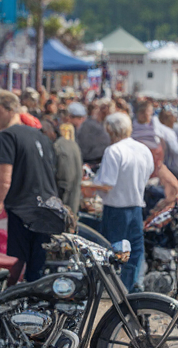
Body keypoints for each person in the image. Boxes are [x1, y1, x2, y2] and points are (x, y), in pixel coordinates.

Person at [0, 91, 61, 281]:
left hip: (22, 210)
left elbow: (4, 180)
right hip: (48, 207)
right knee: (37, 272)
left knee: (15, 268)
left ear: (9, 109)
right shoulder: (42, 136)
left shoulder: (6, 136)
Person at [89, 112, 155, 291]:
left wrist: (85, 185)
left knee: (113, 254)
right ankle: (129, 288)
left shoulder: (114, 151)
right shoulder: (143, 149)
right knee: (134, 253)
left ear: (110, 129)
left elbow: (107, 184)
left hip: (116, 210)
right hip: (135, 208)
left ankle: (113, 291)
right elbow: (149, 174)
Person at [51, 122, 83, 216]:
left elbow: (63, 176)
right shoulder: (75, 146)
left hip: (65, 194)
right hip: (75, 192)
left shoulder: (59, 145)